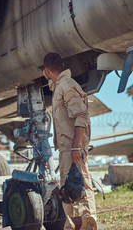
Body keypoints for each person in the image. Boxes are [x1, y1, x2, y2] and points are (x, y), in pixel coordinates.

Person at [43, 52, 97, 230]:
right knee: (70, 194)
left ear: (46, 70)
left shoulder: (66, 85)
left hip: (73, 149)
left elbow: (81, 116)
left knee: (79, 192)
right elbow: (54, 81)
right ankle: (73, 227)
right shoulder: (59, 85)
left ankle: (87, 227)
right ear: (63, 65)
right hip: (67, 150)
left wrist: (76, 147)